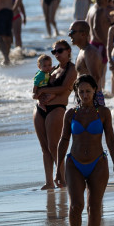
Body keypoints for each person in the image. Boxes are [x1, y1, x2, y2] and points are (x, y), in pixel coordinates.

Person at [55, 75, 114, 226]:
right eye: (81, 92)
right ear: (77, 93)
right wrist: (58, 168)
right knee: (76, 206)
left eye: (88, 91)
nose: (85, 95)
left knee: (94, 207)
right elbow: (63, 140)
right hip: (74, 163)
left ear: (94, 91)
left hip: (98, 163)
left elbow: (110, 139)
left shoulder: (103, 113)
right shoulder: (71, 114)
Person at [34, 40, 77, 190]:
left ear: (68, 51)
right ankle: (49, 182)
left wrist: (44, 91)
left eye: (60, 51)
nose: (56, 54)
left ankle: (62, 178)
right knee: (44, 148)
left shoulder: (72, 69)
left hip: (57, 108)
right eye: (54, 52)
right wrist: (39, 95)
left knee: (54, 146)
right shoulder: (52, 69)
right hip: (40, 108)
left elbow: (64, 88)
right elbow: (39, 85)